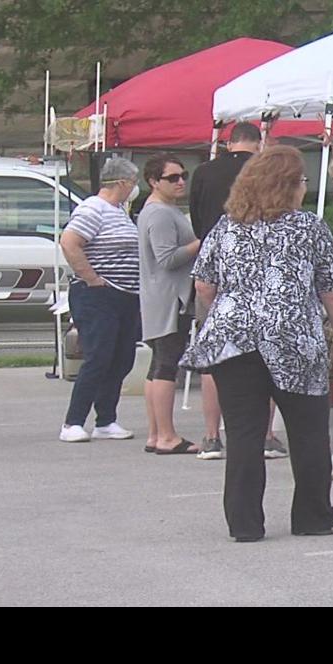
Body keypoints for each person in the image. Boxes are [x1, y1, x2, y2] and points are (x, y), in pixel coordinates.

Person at [181, 145, 333, 542]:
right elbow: (330, 291)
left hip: (234, 340)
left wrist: (231, 311)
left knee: (244, 432)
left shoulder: (226, 227)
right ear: (287, 186)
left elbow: (203, 284)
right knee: (308, 432)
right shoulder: (308, 228)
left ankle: (245, 523)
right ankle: (313, 515)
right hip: (293, 337)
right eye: (300, 181)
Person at [188, 122, 286, 460]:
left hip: (216, 273)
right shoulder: (266, 170)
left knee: (217, 358)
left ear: (228, 142)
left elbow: (197, 222)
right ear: (258, 143)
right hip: (264, 277)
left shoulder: (203, 172)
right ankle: (266, 434)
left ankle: (212, 436)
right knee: (269, 355)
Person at [58, 157, 143, 444]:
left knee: (121, 359)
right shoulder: (93, 209)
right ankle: (73, 421)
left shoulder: (118, 211)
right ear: (121, 183)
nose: (135, 188)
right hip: (99, 296)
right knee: (98, 357)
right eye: (133, 183)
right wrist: (91, 278)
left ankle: (106, 419)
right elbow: (69, 242)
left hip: (125, 296)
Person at [137, 154, 201, 455]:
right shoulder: (160, 213)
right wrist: (200, 243)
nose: (180, 182)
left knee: (158, 365)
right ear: (153, 181)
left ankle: (156, 433)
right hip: (169, 298)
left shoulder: (159, 210)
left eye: (182, 176)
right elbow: (167, 258)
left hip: (161, 296)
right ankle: (166, 435)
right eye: (172, 178)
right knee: (166, 365)